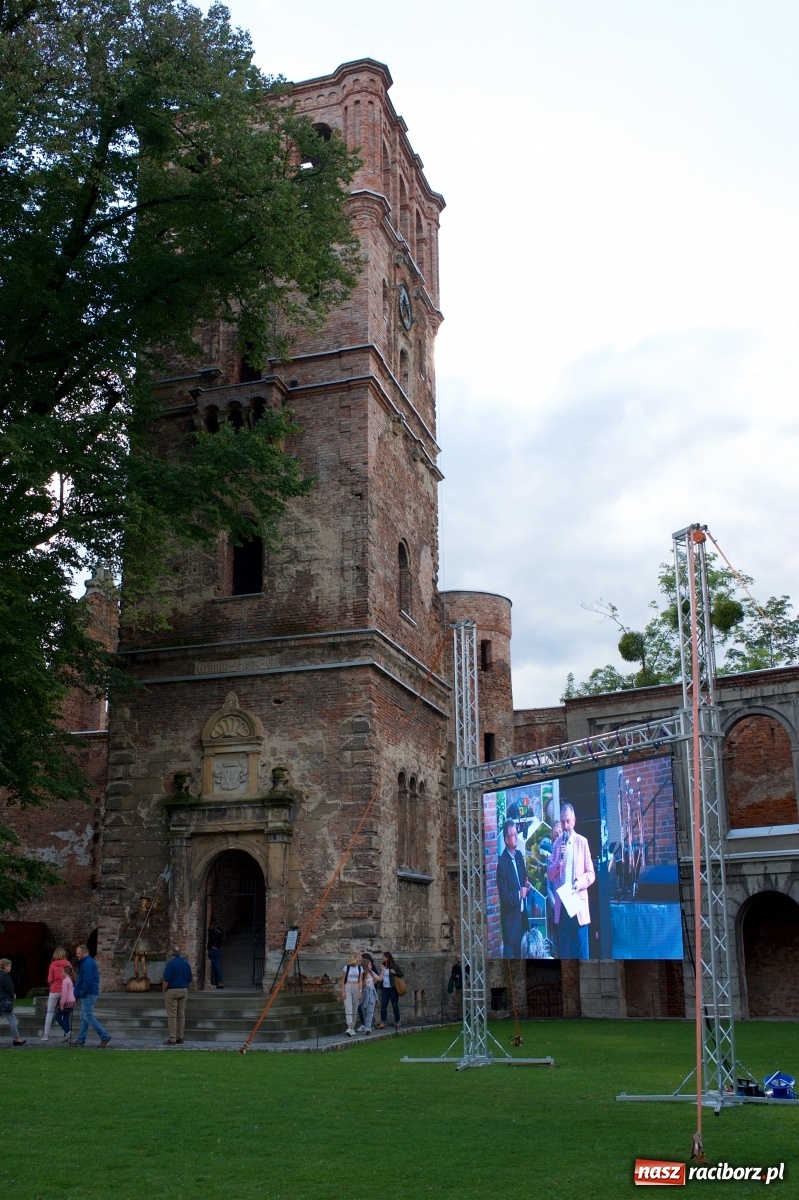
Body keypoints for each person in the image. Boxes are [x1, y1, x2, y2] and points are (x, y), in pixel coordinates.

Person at [546, 803, 596, 960]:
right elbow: (550, 875)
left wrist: (579, 883)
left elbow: (591, 874)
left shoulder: (582, 842)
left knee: (582, 952)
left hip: (578, 906)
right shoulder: (556, 845)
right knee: (565, 953)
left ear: (574, 821)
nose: (565, 825)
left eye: (568, 821)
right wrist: (558, 861)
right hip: (562, 908)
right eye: (563, 822)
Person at [496, 818, 531, 958]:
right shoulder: (502, 864)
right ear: (506, 839)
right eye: (513, 835)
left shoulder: (519, 857)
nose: (517, 837)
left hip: (522, 920)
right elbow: (504, 896)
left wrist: (526, 887)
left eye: (517, 833)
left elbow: (523, 882)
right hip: (511, 926)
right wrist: (519, 894)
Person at [73, 943, 112, 1047]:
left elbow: (87, 980)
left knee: (87, 1016)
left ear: (84, 952)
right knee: (84, 1017)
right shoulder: (86, 963)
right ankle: (81, 1039)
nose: (77, 955)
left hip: (89, 993)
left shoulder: (87, 963)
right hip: (88, 992)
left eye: (78, 953)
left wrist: (81, 993)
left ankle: (104, 1035)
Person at [162, 945, 193, 1045]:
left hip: (172, 990)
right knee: (181, 1014)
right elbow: (190, 978)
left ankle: (172, 1038)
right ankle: (180, 1037)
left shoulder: (170, 964)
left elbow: (166, 979)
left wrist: (164, 991)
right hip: (183, 990)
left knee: (172, 1015)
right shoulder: (186, 964)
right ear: (180, 953)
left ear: (172, 953)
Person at [41, 946, 72, 1041]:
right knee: (65, 1014)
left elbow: (50, 979)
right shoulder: (68, 964)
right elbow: (71, 976)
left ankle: (46, 1035)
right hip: (65, 990)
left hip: (54, 990)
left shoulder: (53, 965)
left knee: (49, 1012)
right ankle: (66, 1032)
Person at [0, 958, 26, 1045]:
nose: (10, 968)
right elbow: (9, 987)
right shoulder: (5, 976)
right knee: (11, 1018)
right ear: (5, 966)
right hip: (5, 1000)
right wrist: (13, 994)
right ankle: (17, 1038)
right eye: (9, 966)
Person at [375, 952, 403, 1029]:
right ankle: (383, 1022)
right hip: (385, 988)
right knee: (384, 1005)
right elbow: (381, 977)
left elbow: (401, 974)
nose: (382, 958)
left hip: (393, 988)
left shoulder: (394, 965)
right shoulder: (383, 966)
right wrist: (381, 971)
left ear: (387, 958)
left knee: (395, 1005)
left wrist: (395, 972)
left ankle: (397, 1021)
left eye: (383, 957)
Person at [340, 953, 363, 1037]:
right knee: (348, 1007)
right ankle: (349, 1027)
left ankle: (353, 1026)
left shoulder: (360, 968)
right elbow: (342, 980)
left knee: (355, 1007)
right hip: (348, 986)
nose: (360, 958)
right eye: (359, 957)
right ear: (354, 958)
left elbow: (360, 980)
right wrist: (343, 991)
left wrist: (360, 991)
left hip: (356, 986)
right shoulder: (347, 967)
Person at [54, 963, 76, 1043]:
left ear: (66, 972)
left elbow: (64, 993)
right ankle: (67, 1035)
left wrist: (62, 1004)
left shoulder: (65, 981)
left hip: (66, 1002)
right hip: (72, 1001)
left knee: (58, 1017)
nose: (61, 972)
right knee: (66, 1018)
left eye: (62, 971)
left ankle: (68, 1031)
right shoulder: (70, 980)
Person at [357, 956, 379, 1033]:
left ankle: (368, 1027)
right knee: (364, 1010)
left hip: (371, 993)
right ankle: (366, 1025)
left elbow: (377, 980)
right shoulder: (361, 974)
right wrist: (366, 975)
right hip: (364, 993)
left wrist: (371, 973)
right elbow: (362, 985)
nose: (371, 966)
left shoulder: (372, 972)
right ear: (366, 966)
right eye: (369, 965)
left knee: (370, 1010)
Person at [207, 923, 224, 989]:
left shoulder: (211, 932)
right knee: (217, 966)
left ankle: (212, 981)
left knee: (212, 966)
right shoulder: (220, 931)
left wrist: (210, 946)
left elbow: (210, 941)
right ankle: (220, 982)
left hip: (212, 950)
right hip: (218, 950)